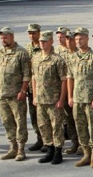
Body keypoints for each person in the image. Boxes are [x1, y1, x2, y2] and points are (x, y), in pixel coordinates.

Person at [67, 27, 93, 168]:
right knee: (80, 127)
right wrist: (70, 96)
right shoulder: (73, 58)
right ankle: (86, 154)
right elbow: (70, 78)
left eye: (81, 38)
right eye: (76, 39)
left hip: (90, 100)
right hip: (77, 99)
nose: (78, 41)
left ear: (87, 38)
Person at [0, 27, 31, 161]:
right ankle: (12, 147)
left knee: (20, 121)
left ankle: (21, 149)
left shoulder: (21, 53)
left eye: (6, 37)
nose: (3, 40)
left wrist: (23, 91)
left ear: (12, 37)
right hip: (3, 94)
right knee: (6, 121)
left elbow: (27, 75)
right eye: (1, 38)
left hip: (16, 95)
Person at [31, 30, 68, 165]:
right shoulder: (35, 58)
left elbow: (64, 80)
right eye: (41, 41)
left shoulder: (57, 60)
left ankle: (58, 151)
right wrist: (34, 96)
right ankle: (50, 149)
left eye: (45, 41)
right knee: (43, 126)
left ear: (51, 42)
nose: (42, 43)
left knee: (56, 126)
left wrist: (61, 99)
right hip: (41, 99)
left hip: (54, 100)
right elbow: (34, 78)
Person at [25, 23, 44, 152]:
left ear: (39, 33)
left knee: (44, 117)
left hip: (44, 88)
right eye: (30, 33)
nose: (32, 35)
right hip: (32, 88)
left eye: (34, 33)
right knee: (34, 116)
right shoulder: (27, 49)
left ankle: (48, 141)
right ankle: (39, 139)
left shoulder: (44, 46)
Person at [61, 30, 80, 155]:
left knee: (80, 120)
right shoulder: (62, 55)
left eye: (71, 39)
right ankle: (75, 142)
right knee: (69, 120)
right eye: (67, 39)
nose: (68, 41)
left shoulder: (81, 54)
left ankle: (83, 144)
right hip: (66, 93)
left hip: (79, 93)